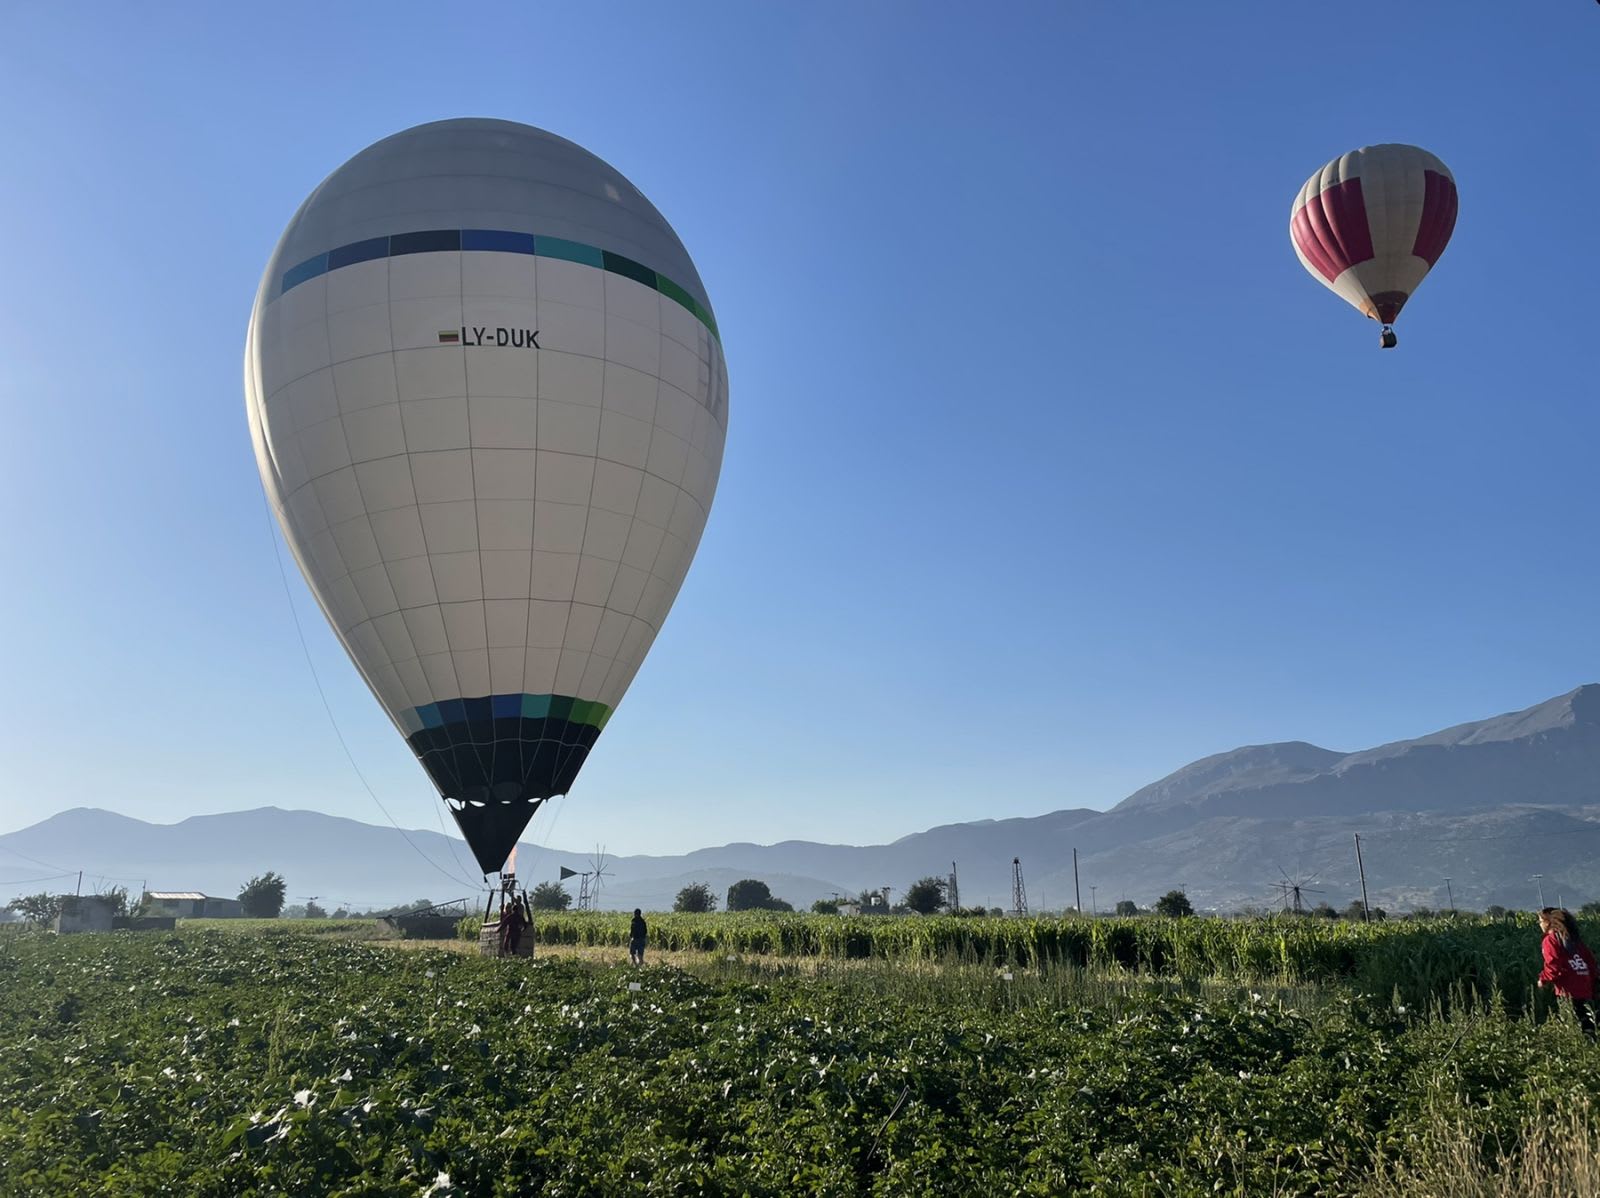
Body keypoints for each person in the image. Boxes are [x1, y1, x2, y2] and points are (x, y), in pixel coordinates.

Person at [1537, 907, 1597, 1036]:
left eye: (1540, 921)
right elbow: (1591, 964)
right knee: (1588, 1024)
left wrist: (1543, 979)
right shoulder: (1575, 939)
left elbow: (1554, 966)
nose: (1539, 924)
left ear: (1548, 922)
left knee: (1572, 1026)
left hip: (1568, 990)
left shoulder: (1551, 940)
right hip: (1585, 987)